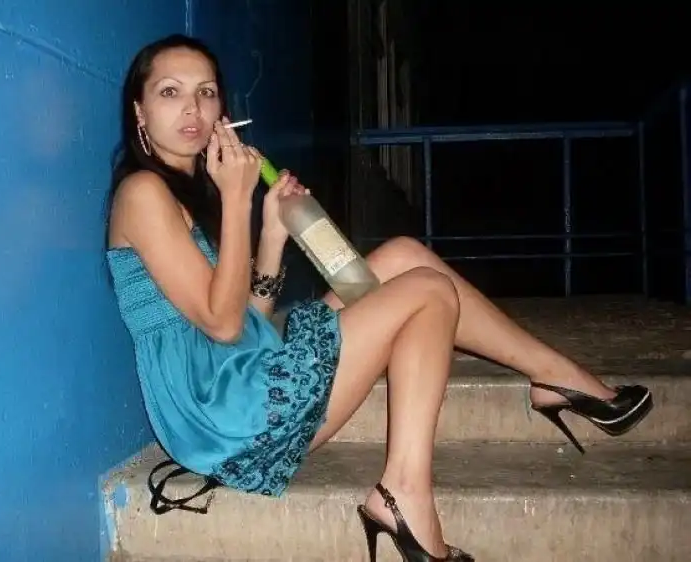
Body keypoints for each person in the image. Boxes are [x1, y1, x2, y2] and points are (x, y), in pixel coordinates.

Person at [105, 34, 653, 562]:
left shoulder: (185, 192)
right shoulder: (143, 192)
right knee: (427, 293)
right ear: (139, 112)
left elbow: (245, 323)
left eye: (206, 91)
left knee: (404, 257)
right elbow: (222, 325)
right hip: (226, 421)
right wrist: (237, 199)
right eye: (170, 91)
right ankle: (404, 493)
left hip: (240, 382)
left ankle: (551, 375)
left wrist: (271, 231)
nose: (193, 107)